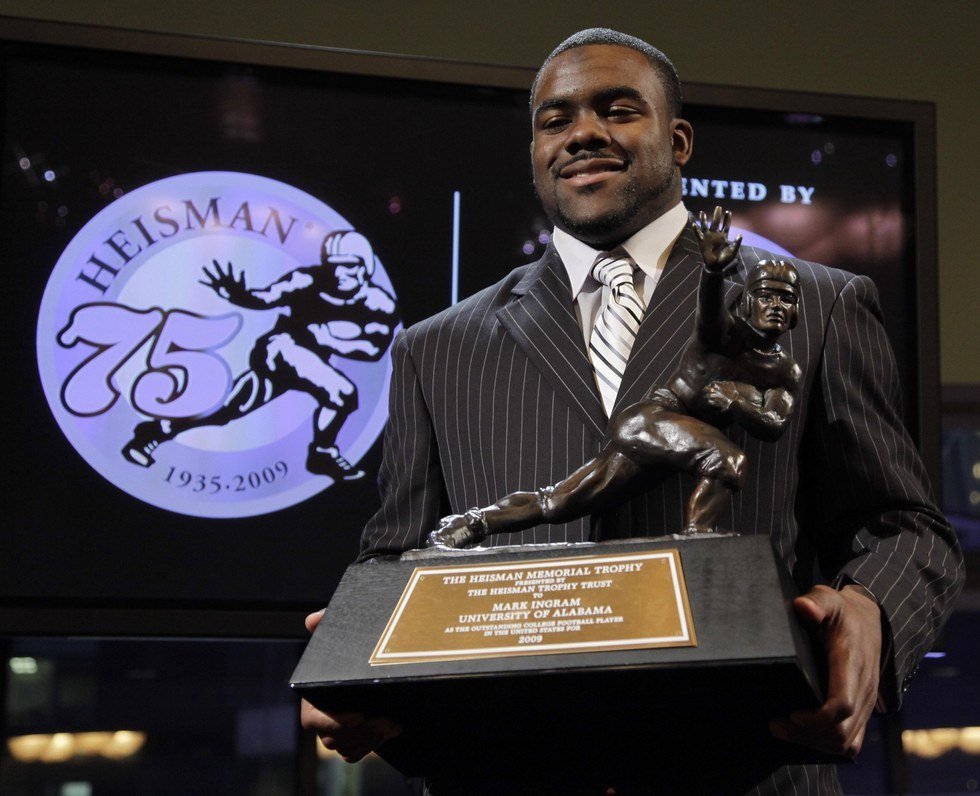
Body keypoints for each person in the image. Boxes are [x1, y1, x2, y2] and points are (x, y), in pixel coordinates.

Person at [301, 28, 963, 794]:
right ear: (536, 151)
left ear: (678, 142)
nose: (582, 133)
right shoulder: (434, 348)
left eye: (618, 110)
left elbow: (903, 527)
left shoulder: (819, 305)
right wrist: (353, 647)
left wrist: (872, 609)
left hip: (748, 770)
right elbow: (394, 555)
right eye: (556, 120)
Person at [427, 207, 804, 545]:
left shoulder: (784, 370)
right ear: (748, 301)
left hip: (667, 443)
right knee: (727, 460)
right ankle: (698, 539)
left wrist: (737, 402)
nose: (775, 306)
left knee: (559, 502)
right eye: (766, 296)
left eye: (785, 299)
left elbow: (773, 422)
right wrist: (713, 271)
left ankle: (474, 523)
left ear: (795, 311)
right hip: (650, 420)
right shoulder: (723, 336)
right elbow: (708, 312)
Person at [122, 230, 398, 481]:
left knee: (225, 410)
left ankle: (155, 431)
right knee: (342, 393)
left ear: (365, 266)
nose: (339, 273)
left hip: (311, 360)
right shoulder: (306, 280)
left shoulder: (379, 303)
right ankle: (322, 453)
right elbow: (266, 297)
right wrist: (237, 294)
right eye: (334, 265)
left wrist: (329, 339)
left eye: (349, 265)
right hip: (281, 350)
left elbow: (374, 349)